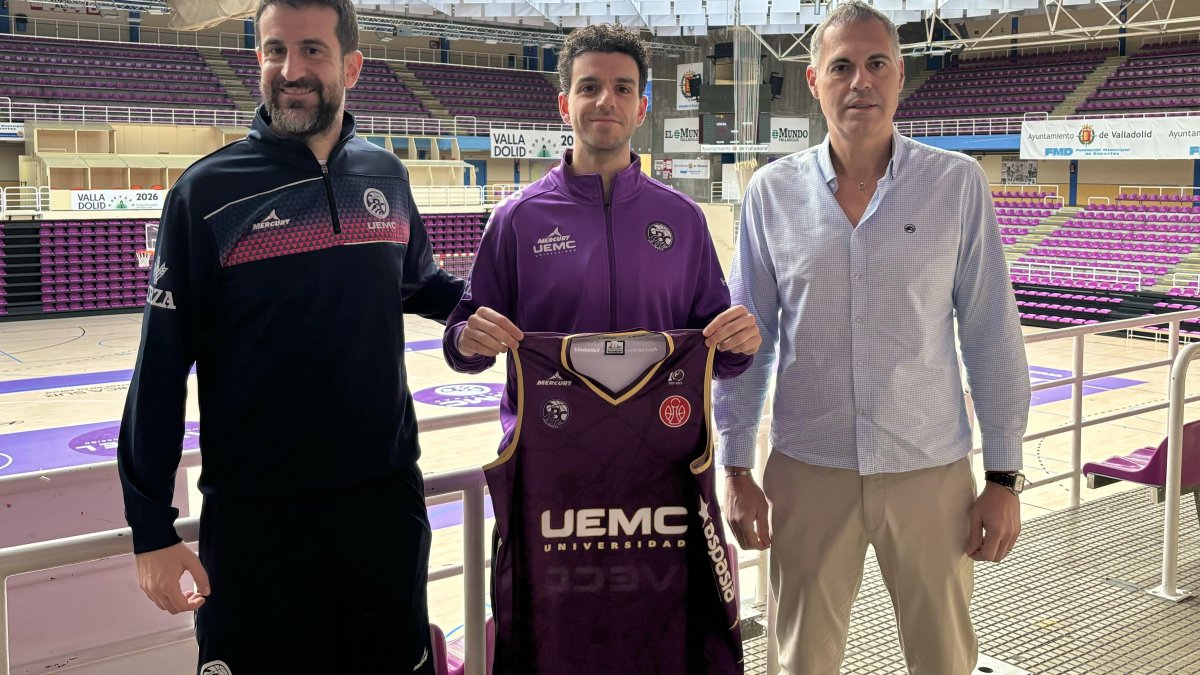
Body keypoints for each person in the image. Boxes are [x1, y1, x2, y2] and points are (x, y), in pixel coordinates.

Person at [116, 1, 463, 672]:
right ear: (259, 60)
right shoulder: (206, 195)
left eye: (312, 50)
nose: (290, 69)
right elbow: (160, 367)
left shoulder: (385, 176)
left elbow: (419, 282)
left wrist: (480, 314)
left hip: (383, 509)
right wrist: (150, 526)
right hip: (258, 525)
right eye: (275, 50)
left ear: (351, 67)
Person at [714, 2, 1031, 673]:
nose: (860, 81)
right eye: (842, 66)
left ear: (899, 74)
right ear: (813, 81)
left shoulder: (955, 185)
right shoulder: (771, 193)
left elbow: (991, 332)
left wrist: (1004, 477)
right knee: (800, 661)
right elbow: (748, 342)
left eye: (876, 63)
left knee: (944, 659)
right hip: (809, 471)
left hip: (929, 471)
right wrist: (735, 468)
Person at [441, 22, 761, 674]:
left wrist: (740, 344)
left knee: (665, 643)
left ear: (642, 106)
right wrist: (467, 339)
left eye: (621, 88)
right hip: (552, 485)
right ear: (566, 103)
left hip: (663, 484)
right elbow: (464, 339)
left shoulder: (682, 219)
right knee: (553, 646)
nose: (604, 101)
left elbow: (717, 350)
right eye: (589, 87)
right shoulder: (517, 219)